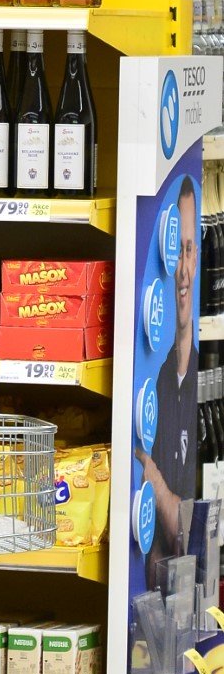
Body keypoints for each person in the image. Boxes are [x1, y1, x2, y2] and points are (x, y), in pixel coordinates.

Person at [138, 174, 199, 590]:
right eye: (174, 251)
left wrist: (153, 477)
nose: (181, 271)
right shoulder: (149, 380)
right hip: (139, 601)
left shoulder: (195, 379)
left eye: (189, 251)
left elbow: (185, 531)